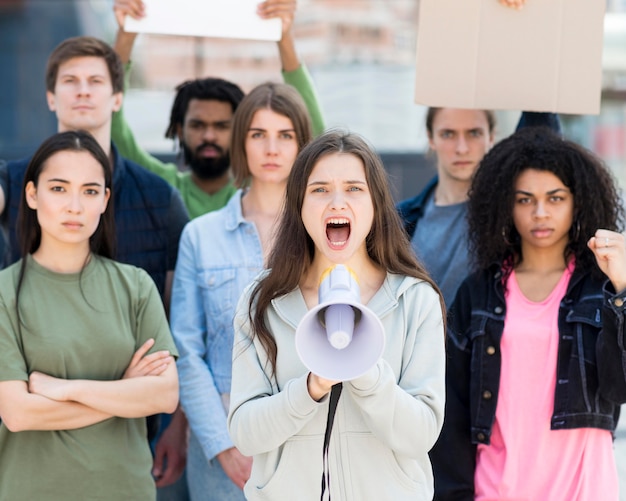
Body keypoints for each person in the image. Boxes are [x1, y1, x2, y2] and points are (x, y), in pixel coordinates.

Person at [0, 35, 189, 490]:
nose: (73, 206)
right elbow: (18, 413)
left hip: (124, 473)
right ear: (33, 193)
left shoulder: (155, 207)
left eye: (89, 191)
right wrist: (124, 392)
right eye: (58, 188)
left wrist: (65, 390)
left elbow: (164, 385)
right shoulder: (10, 186)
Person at [227, 130, 446, 500]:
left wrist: (367, 373)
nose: (337, 203)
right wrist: (308, 390)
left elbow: (422, 433)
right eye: (320, 189)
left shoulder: (414, 299)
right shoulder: (262, 301)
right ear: (299, 204)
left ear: (376, 204)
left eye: (354, 189)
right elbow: (245, 433)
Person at [431, 127, 626, 500]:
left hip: (583, 490)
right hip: (496, 490)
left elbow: (621, 387)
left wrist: (623, 293)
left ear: (577, 202)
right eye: (524, 200)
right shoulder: (478, 293)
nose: (540, 213)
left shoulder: (600, 287)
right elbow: (451, 411)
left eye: (555, 198)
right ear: (506, 204)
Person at [170, 82, 313, 501]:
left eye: (285, 135)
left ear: (302, 143)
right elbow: (185, 349)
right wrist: (224, 444)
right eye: (258, 134)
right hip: (223, 452)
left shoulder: (326, 233)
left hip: (308, 440)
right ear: (240, 142)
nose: (272, 148)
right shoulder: (201, 236)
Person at [111, 0, 325, 219]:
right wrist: (126, 36)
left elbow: (314, 140)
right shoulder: (161, 185)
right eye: (197, 125)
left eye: (222, 126)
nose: (209, 136)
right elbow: (112, 127)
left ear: (241, 132)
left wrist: (284, 37)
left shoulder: (262, 187)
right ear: (180, 130)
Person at [396, 108, 561, 306]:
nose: (462, 148)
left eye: (474, 133)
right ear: (431, 138)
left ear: (491, 136)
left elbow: (539, 141)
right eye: (448, 134)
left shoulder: (506, 210)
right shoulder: (402, 218)